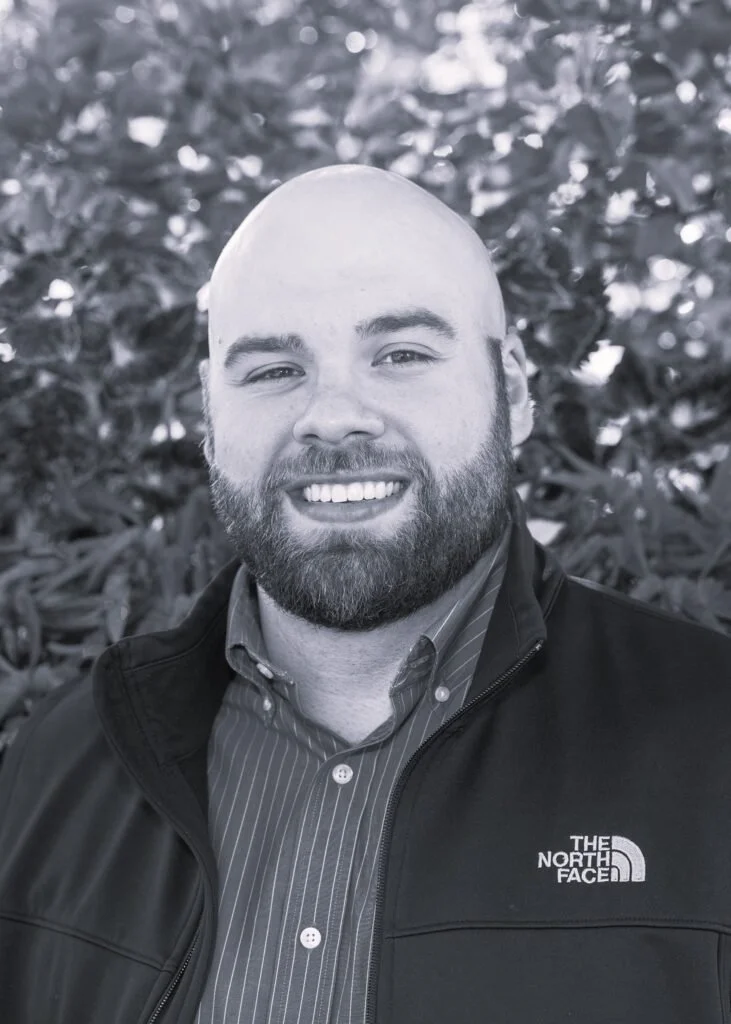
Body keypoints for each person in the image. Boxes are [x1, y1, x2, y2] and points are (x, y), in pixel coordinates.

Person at [0, 164, 729, 1024]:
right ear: (208, 411)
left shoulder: (710, 737)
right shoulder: (60, 765)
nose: (333, 414)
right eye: (273, 369)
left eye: (401, 355)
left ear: (516, 389)